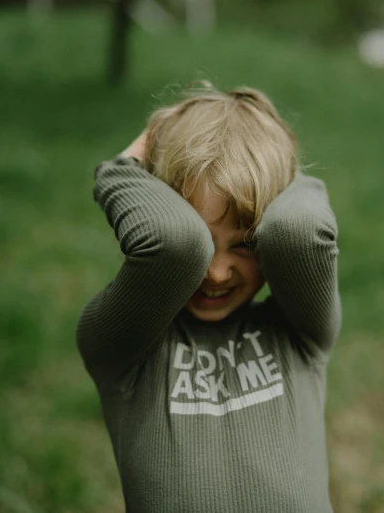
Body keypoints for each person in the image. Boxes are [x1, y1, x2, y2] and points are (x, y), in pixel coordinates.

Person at [76, 82, 341, 512]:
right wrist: (119, 170)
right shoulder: (122, 348)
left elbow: (300, 231)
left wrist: (280, 159)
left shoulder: (300, 334)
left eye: (246, 244)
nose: (215, 272)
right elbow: (172, 244)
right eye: (203, 242)